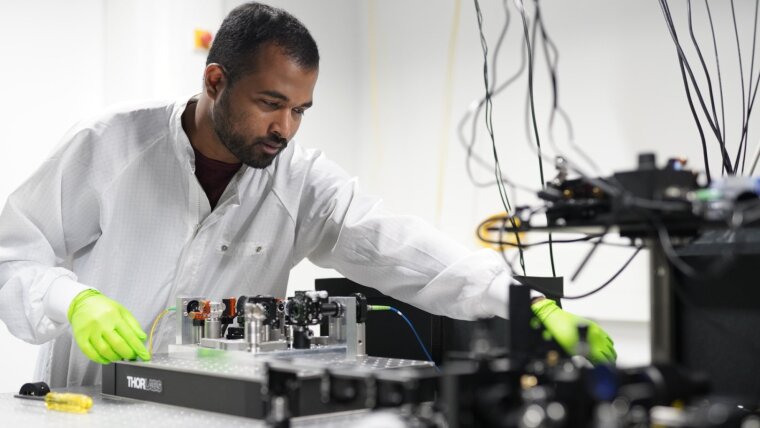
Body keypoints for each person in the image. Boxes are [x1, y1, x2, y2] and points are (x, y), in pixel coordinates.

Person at [0, 2, 615, 388]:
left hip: (212, 408)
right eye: (271, 103)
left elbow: (401, 250)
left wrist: (523, 303)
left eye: (300, 110)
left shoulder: (300, 178)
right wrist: (73, 299)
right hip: (85, 403)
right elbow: (12, 257)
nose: (285, 129)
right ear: (216, 80)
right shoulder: (109, 145)